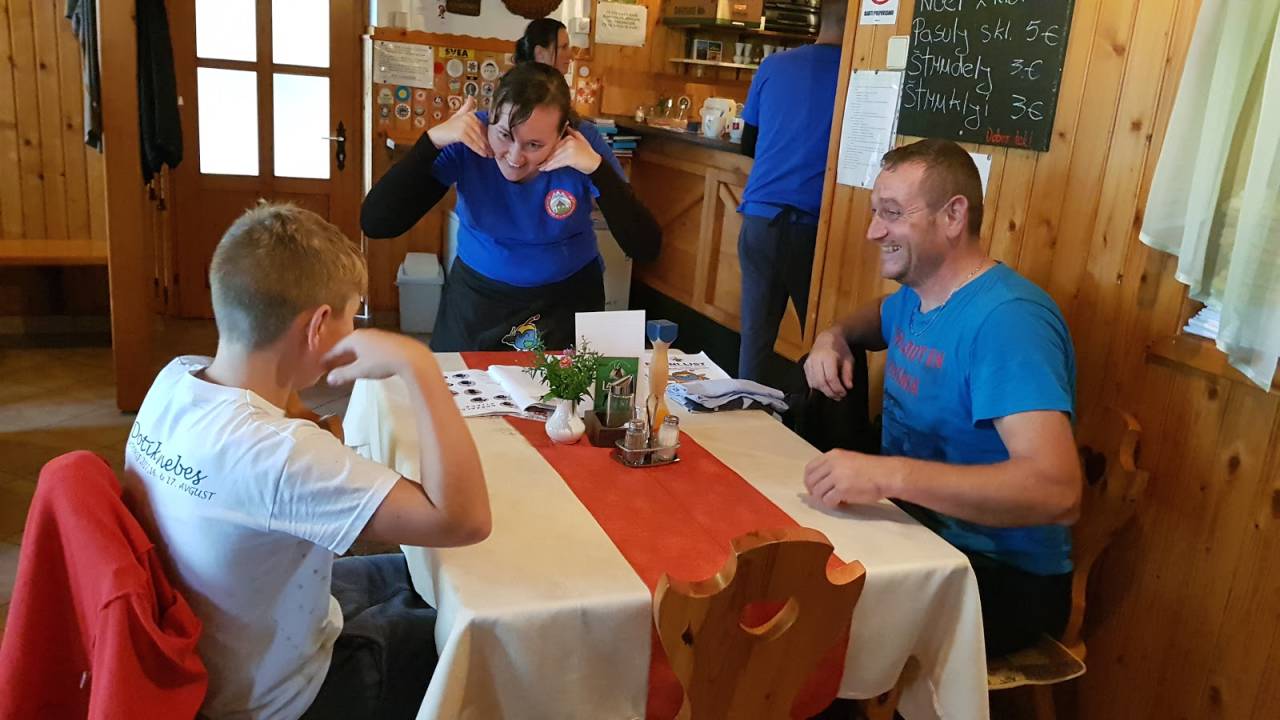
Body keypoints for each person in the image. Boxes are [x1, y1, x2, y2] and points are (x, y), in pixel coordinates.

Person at [122, 203, 491, 719]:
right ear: (318, 325)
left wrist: (305, 391)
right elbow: (464, 521)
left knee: (426, 577)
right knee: (484, 638)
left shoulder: (176, 379)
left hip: (223, 642)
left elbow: (286, 423)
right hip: (289, 697)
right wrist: (419, 365)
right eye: (352, 314)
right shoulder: (280, 455)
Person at [801, 139, 1082, 657]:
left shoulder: (1008, 321)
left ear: (953, 216)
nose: (873, 231)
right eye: (875, 212)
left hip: (998, 576)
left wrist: (886, 475)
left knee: (803, 625)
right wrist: (832, 336)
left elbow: (1057, 490)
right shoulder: (919, 294)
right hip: (912, 534)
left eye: (892, 213)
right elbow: (877, 316)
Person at [361, 62, 661, 351]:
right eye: (504, 135)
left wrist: (597, 169)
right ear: (490, 117)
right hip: (477, 300)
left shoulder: (583, 142)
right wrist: (431, 141)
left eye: (534, 145)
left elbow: (646, 247)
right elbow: (377, 222)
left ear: (562, 135)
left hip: (566, 301)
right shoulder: (469, 137)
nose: (515, 157)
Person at [735, 0, 846, 384]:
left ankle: (745, 412)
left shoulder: (773, 66)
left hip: (760, 219)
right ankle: (814, 420)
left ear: (818, 19)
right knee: (823, 341)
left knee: (754, 342)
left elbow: (747, 143)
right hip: (815, 227)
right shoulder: (859, 73)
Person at [514, 17, 625, 177]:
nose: (571, 55)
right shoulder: (582, 132)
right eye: (564, 47)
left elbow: (619, 185)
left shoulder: (584, 132)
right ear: (540, 54)